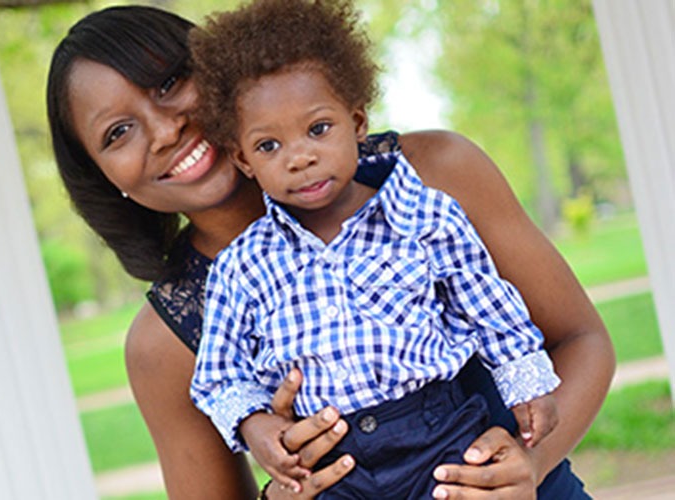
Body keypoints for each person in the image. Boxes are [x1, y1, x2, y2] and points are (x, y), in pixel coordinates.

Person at [46, 4, 614, 499]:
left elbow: (582, 340)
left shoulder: (435, 175)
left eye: (168, 83)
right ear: (104, 176)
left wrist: (529, 465)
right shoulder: (163, 344)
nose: (164, 130)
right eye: (117, 133)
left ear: (218, 72)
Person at [187, 1, 560, 497]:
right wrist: (254, 425)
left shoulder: (426, 216)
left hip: (438, 435)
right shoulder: (242, 265)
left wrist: (525, 382)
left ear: (357, 122)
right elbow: (219, 373)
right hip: (334, 463)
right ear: (244, 160)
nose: (300, 157)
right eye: (269, 146)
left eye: (318, 129)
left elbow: (486, 307)